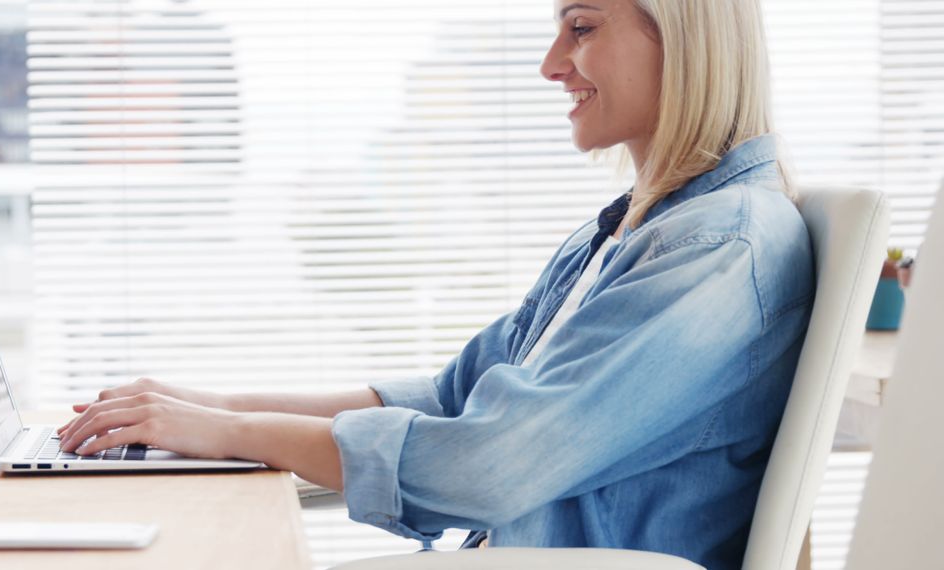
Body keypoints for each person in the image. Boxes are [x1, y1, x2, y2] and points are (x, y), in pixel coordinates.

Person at [56, 0, 815, 568]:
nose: (552, 64)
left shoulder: (719, 246)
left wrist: (225, 434)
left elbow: (486, 464)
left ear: (683, 36)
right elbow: (448, 398)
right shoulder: (628, 231)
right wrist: (195, 408)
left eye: (581, 28)